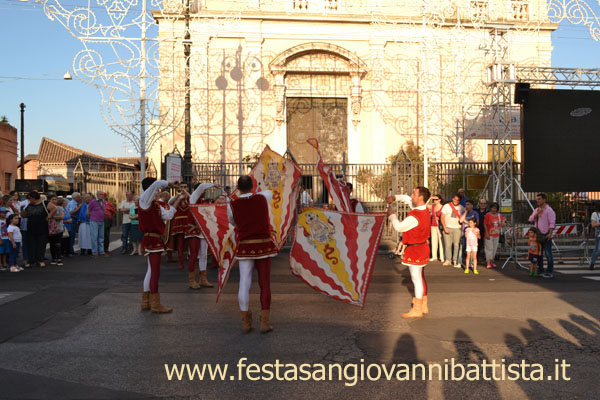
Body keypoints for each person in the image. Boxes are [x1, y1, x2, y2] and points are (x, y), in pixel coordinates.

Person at [228, 175, 278, 333]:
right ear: (252, 186)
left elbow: (233, 222)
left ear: (238, 188)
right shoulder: (263, 197)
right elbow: (269, 191)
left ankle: (245, 323)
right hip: (263, 245)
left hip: (245, 246)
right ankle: (264, 323)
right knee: (264, 283)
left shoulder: (232, 205)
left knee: (244, 283)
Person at [386, 186, 432, 318]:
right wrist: (394, 197)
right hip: (422, 247)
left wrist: (392, 216)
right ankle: (423, 305)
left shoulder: (415, 216)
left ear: (421, 198)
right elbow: (406, 199)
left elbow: (399, 227)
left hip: (415, 248)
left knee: (416, 279)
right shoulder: (423, 209)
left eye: (414, 194)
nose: (412, 196)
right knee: (420, 277)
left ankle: (417, 309)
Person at [139, 178, 181, 313]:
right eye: (156, 190)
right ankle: (155, 305)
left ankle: (146, 302)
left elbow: (168, 216)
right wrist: (170, 184)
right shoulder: (144, 200)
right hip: (152, 239)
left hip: (154, 239)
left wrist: (177, 202)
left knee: (151, 271)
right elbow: (156, 184)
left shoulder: (154, 204)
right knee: (155, 272)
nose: (158, 192)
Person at [186, 182, 216, 289]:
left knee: (204, 255)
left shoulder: (202, 202)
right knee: (193, 255)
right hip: (193, 231)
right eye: (203, 191)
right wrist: (214, 184)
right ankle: (192, 280)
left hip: (202, 231)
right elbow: (202, 186)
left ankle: (203, 279)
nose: (204, 192)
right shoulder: (193, 198)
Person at [528, 193, 556, 278]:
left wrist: (550, 233)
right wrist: (537, 213)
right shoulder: (537, 210)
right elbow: (530, 219)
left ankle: (549, 271)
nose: (538, 201)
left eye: (539, 199)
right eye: (537, 199)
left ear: (544, 200)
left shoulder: (549, 210)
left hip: (546, 234)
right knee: (538, 254)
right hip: (538, 235)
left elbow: (552, 223)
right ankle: (540, 270)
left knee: (548, 253)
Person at [20, 191, 49, 268]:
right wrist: (21, 209)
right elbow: (24, 215)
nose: (29, 201)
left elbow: (54, 208)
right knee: (31, 245)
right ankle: (31, 260)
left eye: (30, 199)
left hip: (42, 227)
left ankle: (40, 260)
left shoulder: (44, 203)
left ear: (34, 198)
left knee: (41, 244)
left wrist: (49, 216)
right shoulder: (29, 205)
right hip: (31, 227)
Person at [167, 183, 190, 269]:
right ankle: (181, 262)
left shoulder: (190, 196)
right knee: (180, 244)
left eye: (184, 187)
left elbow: (193, 201)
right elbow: (170, 203)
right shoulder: (175, 197)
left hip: (188, 222)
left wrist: (186, 194)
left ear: (187, 188)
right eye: (181, 187)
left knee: (190, 243)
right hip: (179, 223)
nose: (183, 188)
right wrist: (178, 196)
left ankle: (191, 260)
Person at [441, 194, 465, 268]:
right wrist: (445, 227)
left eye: (457, 200)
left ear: (460, 201)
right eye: (455, 199)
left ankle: (455, 260)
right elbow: (442, 217)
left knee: (456, 245)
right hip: (448, 227)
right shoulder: (446, 206)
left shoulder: (462, 208)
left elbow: (463, 218)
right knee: (447, 245)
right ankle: (448, 260)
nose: (456, 201)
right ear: (452, 198)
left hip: (457, 228)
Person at [483, 202, 506, 269]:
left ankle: (492, 261)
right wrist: (487, 233)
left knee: (495, 248)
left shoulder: (499, 215)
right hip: (489, 234)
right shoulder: (488, 215)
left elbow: (503, 221)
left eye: (495, 208)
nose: (494, 209)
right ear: (490, 208)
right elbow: (485, 224)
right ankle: (488, 262)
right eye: (493, 208)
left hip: (496, 234)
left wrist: (503, 222)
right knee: (489, 248)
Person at [458, 199, 479, 266]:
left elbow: (477, 223)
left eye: (468, 205)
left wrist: (467, 222)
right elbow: (461, 220)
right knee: (462, 248)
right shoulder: (463, 213)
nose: (467, 206)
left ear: (472, 206)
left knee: (472, 250)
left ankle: (471, 263)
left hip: (472, 235)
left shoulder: (475, 213)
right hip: (464, 233)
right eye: (466, 205)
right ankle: (460, 262)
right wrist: (466, 212)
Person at [87, 191, 107, 258]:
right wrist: (91, 218)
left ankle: (101, 251)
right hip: (94, 221)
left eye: (102, 194)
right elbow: (88, 211)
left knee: (101, 237)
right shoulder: (93, 202)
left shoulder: (104, 202)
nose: (101, 195)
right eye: (100, 194)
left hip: (102, 220)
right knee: (94, 236)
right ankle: (95, 252)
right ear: (97, 195)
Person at [47, 195, 65, 266]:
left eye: (55, 199)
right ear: (49, 200)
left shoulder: (60, 208)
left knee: (58, 244)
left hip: (58, 228)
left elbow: (61, 217)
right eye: (53, 199)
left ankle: (59, 258)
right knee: (52, 244)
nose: (54, 201)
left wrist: (52, 217)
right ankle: (53, 258)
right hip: (50, 229)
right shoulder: (47, 208)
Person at [428, 194, 444, 262]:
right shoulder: (433, 206)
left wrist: (440, 218)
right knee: (434, 241)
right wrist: (430, 198)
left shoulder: (443, 207)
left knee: (441, 241)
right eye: (434, 200)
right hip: (433, 225)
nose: (435, 201)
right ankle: (434, 256)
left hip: (440, 226)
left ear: (440, 200)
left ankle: (442, 257)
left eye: (436, 199)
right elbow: (425, 206)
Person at [589, 203, 600, 270]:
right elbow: (593, 225)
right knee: (598, 249)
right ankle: (592, 263)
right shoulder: (595, 214)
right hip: (598, 233)